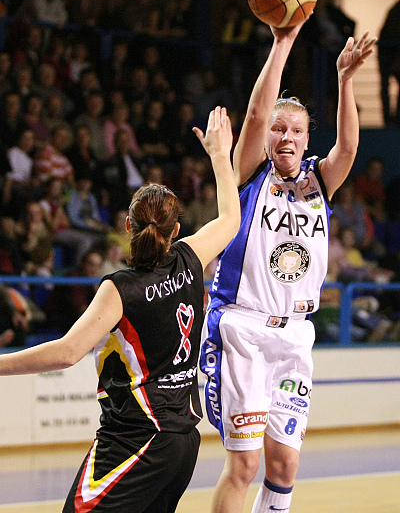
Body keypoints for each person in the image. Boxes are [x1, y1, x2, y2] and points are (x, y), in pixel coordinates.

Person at [0, 105, 240, 513]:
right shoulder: (190, 258)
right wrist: (220, 155)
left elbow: (67, 352)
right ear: (176, 230)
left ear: (127, 226)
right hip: (183, 441)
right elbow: (231, 219)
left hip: (136, 439)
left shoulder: (121, 288)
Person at [200, 21, 376, 513]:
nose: (286, 136)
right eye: (279, 129)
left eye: (297, 130)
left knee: (284, 467)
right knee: (245, 466)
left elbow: (349, 148)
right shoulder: (248, 173)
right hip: (244, 328)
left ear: (306, 138)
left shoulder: (319, 181)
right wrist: (283, 42)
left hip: (295, 334)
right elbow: (258, 112)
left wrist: (345, 80)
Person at [377, 0, 400, 126]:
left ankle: (391, 119)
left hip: (388, 55)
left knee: (385, 87)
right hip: (388, 55)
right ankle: (390, 120)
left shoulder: (394, 10)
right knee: (385, 86)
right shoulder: (395, 12)